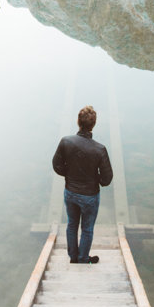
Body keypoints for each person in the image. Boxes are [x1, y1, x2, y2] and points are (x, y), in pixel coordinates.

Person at [52, 105, 113, 264]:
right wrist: (95, 179)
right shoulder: (100, 149)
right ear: (94, 124)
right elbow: (107, 179)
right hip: (90, 196)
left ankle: (73, 257)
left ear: (78, 122)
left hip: (70, 192)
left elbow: (56, 165)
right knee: (87, 228)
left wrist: (70, 174)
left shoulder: (66, 141)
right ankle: (83, 258)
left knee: (72, 224)